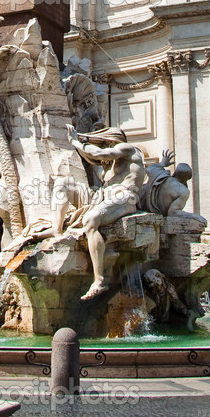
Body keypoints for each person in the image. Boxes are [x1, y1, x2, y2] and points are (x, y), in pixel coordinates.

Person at [63, 126, 146, 300]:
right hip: (106, 198)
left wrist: (75, 142)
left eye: (105, 143)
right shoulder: (112, 167)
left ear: (111, 140)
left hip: (125, 197)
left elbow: (101, 154)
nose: (104, 147)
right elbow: (93, 157)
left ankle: (99, 280)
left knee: (91, 219)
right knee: (81, 219)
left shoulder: (128, 148)